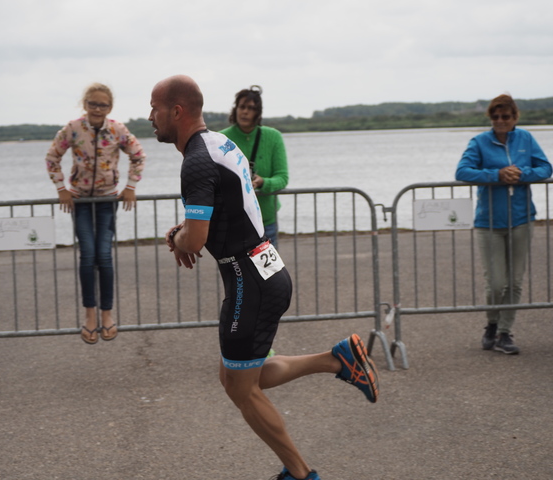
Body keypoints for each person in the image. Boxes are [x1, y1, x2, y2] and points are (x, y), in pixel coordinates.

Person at [149, 75, 379, 480]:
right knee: (236, 375)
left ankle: (301, 473)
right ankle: (337, 359)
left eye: (155, 108)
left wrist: (178, 237)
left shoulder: (197, 162)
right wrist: (183, 235)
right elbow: (217, 218)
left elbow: (197, 236)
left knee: (241, 388)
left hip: (248, 283)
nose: (150, 116)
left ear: (177, 111)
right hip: (264, 271)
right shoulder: (220, 144)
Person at [46, 83, 146, 344]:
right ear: (85, 104)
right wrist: (62, 189)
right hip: (79, 200)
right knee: (87, 254)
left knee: (104, 255)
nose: (97, 109)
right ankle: (89, 314)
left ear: (109, 107)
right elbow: (52, 157)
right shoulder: (73, 128)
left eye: (102, 105)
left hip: (106, 200)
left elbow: (138, 155)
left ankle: (107, 314)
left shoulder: (117, 129)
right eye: (92, 104)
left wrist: (130, 187)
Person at [455, 93, 551, 354]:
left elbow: (545, 168)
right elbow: (462, 172)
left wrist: (522, 174)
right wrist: (496, 174)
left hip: (521, 220)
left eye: (505, 116)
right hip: (488, 223)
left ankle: (505, 334)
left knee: (515, 282)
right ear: (490, 118)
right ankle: (492, 324)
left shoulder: (526, 139)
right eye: (495, 116)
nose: (500, 120)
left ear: (514, 117)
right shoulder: (479, 142)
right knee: (496, 283)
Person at [221, 86, 288, 247]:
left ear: (258, 113)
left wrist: (262, 182)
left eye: (250, 108)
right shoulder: (222, 138)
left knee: (270, 272)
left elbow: (283, 177)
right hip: (234, 220)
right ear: (235, 109)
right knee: (237, 271)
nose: (245, 112)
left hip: (266, 221)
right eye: (242, 107)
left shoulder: (273, 137)